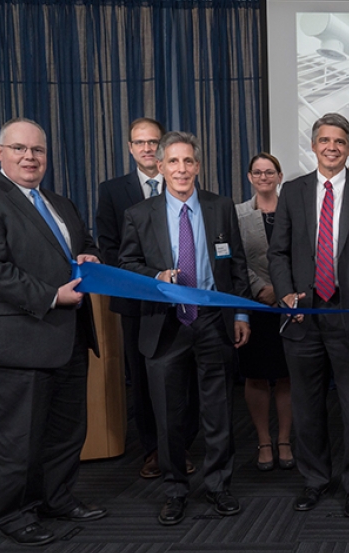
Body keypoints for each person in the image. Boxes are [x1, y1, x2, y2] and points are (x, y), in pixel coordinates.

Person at [0, 118, 107, 546]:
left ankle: (56, 499)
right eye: (19, 148)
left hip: (69, 338)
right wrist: (52, 296)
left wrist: (89, 257)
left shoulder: (59, 202)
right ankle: (14, 514)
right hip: (14, 344)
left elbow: (87, 243)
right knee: (18, 441)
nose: (29, 157)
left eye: (37, 150)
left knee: (66, 433)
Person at [267, 113, 349, 518]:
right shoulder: (293, 192)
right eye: (324, 140)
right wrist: (286, 292)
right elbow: (278, 252)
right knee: (306, 406)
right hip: (303, 317)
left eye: (340, 141)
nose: (332, 147)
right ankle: (315, 480)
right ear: (314, 145)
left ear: (348, 147)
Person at [119, 131, 251, 526]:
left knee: (219, 412)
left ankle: (218, 487)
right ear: (159, 166)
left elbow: (237, 264)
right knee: (169, 415)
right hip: (166, 325)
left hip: (213, 321)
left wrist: (241, 314)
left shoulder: (221, 207)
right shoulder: (139, 215)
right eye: (173, 162)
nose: (181, 169)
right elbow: (126, 266)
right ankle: (175, 489)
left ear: (198, 165)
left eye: (188, 161)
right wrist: (158, 275)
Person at [95, 117, 199, 479]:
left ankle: (182, 444)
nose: (147, 148)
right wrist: (146, 283)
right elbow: (110, 248)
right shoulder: (113, 191)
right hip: (138, 303)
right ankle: (153, 449)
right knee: (143, 379)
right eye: (139, 142)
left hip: (186, 304)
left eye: (153, 141)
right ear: (130, 148)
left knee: (185, 377)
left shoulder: (185, 182)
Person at [234, 153, 294, 471]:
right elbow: (235, 260)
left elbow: (303, 254)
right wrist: (261, 290)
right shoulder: (238, 214)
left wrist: (282, 289)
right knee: (256, 377)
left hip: (290, 304)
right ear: (249, 177)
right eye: (257, 172)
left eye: (269, 172)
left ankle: (284, 440)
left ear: (279, 175)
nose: (263, 177)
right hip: (255, 307)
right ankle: (264, 441)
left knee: (286, 377)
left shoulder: (294, 210)